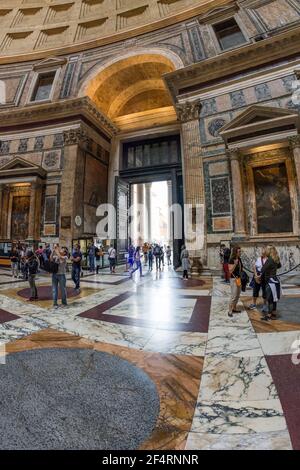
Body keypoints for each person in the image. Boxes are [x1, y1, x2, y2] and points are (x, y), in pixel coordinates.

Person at [260, 246, 282, 321]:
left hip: (269, 281)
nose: (265, 251)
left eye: (266, 250)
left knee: (270, 299)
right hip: (275, 279)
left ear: (269, 251)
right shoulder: (275, 258)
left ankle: (269, 315)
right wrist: (273, 268)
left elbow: (262, 269)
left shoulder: (269, 260)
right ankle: (274, 313)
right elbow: (279, 266)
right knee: (274, 298)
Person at [228, 246, 243, 318]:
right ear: (235, 252)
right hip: (233, 279)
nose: (240, 253)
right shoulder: (231, 259)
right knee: (233, 295)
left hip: (238, 279)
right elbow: (230, 271)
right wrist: (235, 264)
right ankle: (230, 310)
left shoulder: (239, 259)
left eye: (240, 251)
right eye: (239, 251)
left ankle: (234, 308)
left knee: (237, 294)